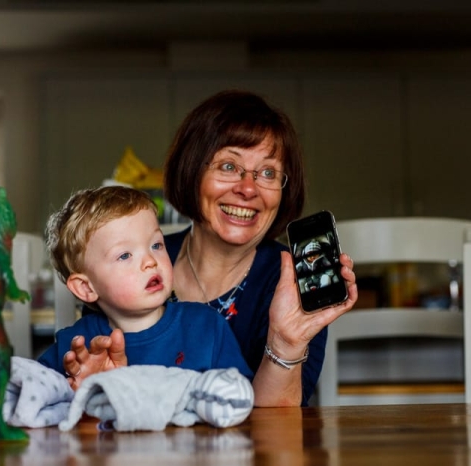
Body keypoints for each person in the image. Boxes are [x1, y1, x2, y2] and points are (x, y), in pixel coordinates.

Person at [63, 90, 358, 406]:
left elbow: (277, 431)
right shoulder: (130, 263)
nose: (247, 188)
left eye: (268, 172)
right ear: (192, 171)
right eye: (229, 166)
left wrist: (286, 342)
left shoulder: (294, 284)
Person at [37, 185, 253, 388]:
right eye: (124, 255)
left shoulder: (207, 328)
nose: (150, 261)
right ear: (86, 288)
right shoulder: (77, 347)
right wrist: (76, 395)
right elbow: (27, 395)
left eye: (156, 245)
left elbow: (240, 399)